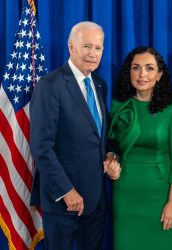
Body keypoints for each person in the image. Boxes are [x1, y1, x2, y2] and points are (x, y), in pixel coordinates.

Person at [30, 21, 120, 250]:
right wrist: (66, 191)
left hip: (96, 199)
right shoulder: (50, 85)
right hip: (64, 201)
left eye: (98, 48)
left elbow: (99, 136)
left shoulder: (100, 84)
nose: (93, 54)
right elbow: (41, 147)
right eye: (86, 46)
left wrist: (111, 155)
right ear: (71, 47)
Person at [108, 47, 172, 250]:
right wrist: (111, 159)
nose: (142, 74)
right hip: (125, 193)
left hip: (161, 196)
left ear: (159, 75)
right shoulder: (118, 106)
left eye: (149, 68)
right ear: (129, 73)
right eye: (136, 68)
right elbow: (110, 145)